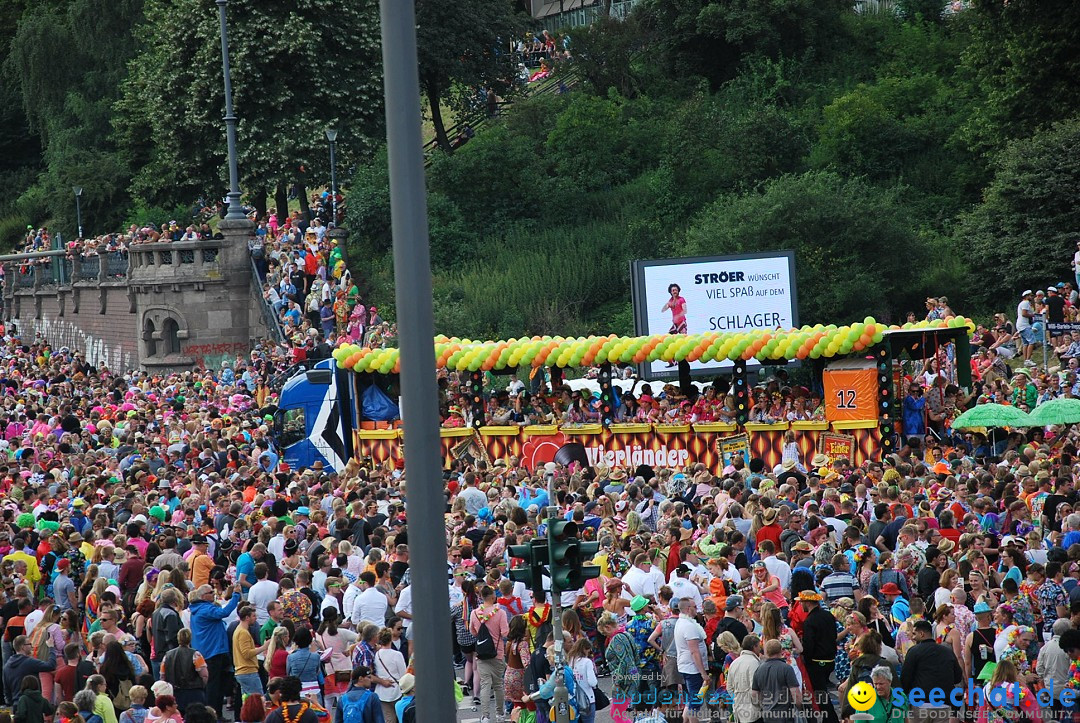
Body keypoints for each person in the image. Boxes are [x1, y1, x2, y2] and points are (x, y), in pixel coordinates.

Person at [899, 619, 963, 722]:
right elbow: (957, 677)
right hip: (943, 705)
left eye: (914, 634)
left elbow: (905, 678)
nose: (913, 637)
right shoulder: (947, 652)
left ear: (922, 634)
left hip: (920, 704)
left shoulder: (914, 651)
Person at [468, 585, 508, 723]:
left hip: (481, 653)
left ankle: (485, 716)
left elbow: (472, 631)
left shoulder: (474, 613)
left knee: (485, 684)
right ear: (492, 596)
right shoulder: (500, 613)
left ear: (481, 597)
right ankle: (500, 714)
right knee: (498, 685)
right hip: (498, 653)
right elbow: (504, 633)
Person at [797, 590, 838, 723]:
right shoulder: (828, 616)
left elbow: (809, 646)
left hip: (816, 662)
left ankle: (830, 720)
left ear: (808, 602)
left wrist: (804, 656)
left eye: (802, 602)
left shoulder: (810, 621)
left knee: (821, 695)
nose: (801, 605)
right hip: (830, 660)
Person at [673, 598, 709, 723]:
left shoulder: (682, 622)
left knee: (690, 701)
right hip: (693, 669)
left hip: (686, 666)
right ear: (688, 608)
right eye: (694, 606)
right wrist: (703, 673)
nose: (697, 609)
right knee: (695, 703)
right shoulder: (689, 626)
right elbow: (694, 652)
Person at [751, 639, 799, 721]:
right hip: (785, 715)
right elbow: (796, 693)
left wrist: (763, 706)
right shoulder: (787, 668)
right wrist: (800, 708)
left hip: (767, 714)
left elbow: (754, 694)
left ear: (767, 652)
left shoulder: (759, 670)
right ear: (781, 651)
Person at [726, 635, 762, 723]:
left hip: (738, 711)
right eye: (759, 646)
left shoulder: (734, 663)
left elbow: (729, 687)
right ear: (754, 647)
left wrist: (736, 699)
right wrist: (759, 705)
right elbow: (754, 689)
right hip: (752, 711)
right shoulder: (754, 663)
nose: (760, 649)